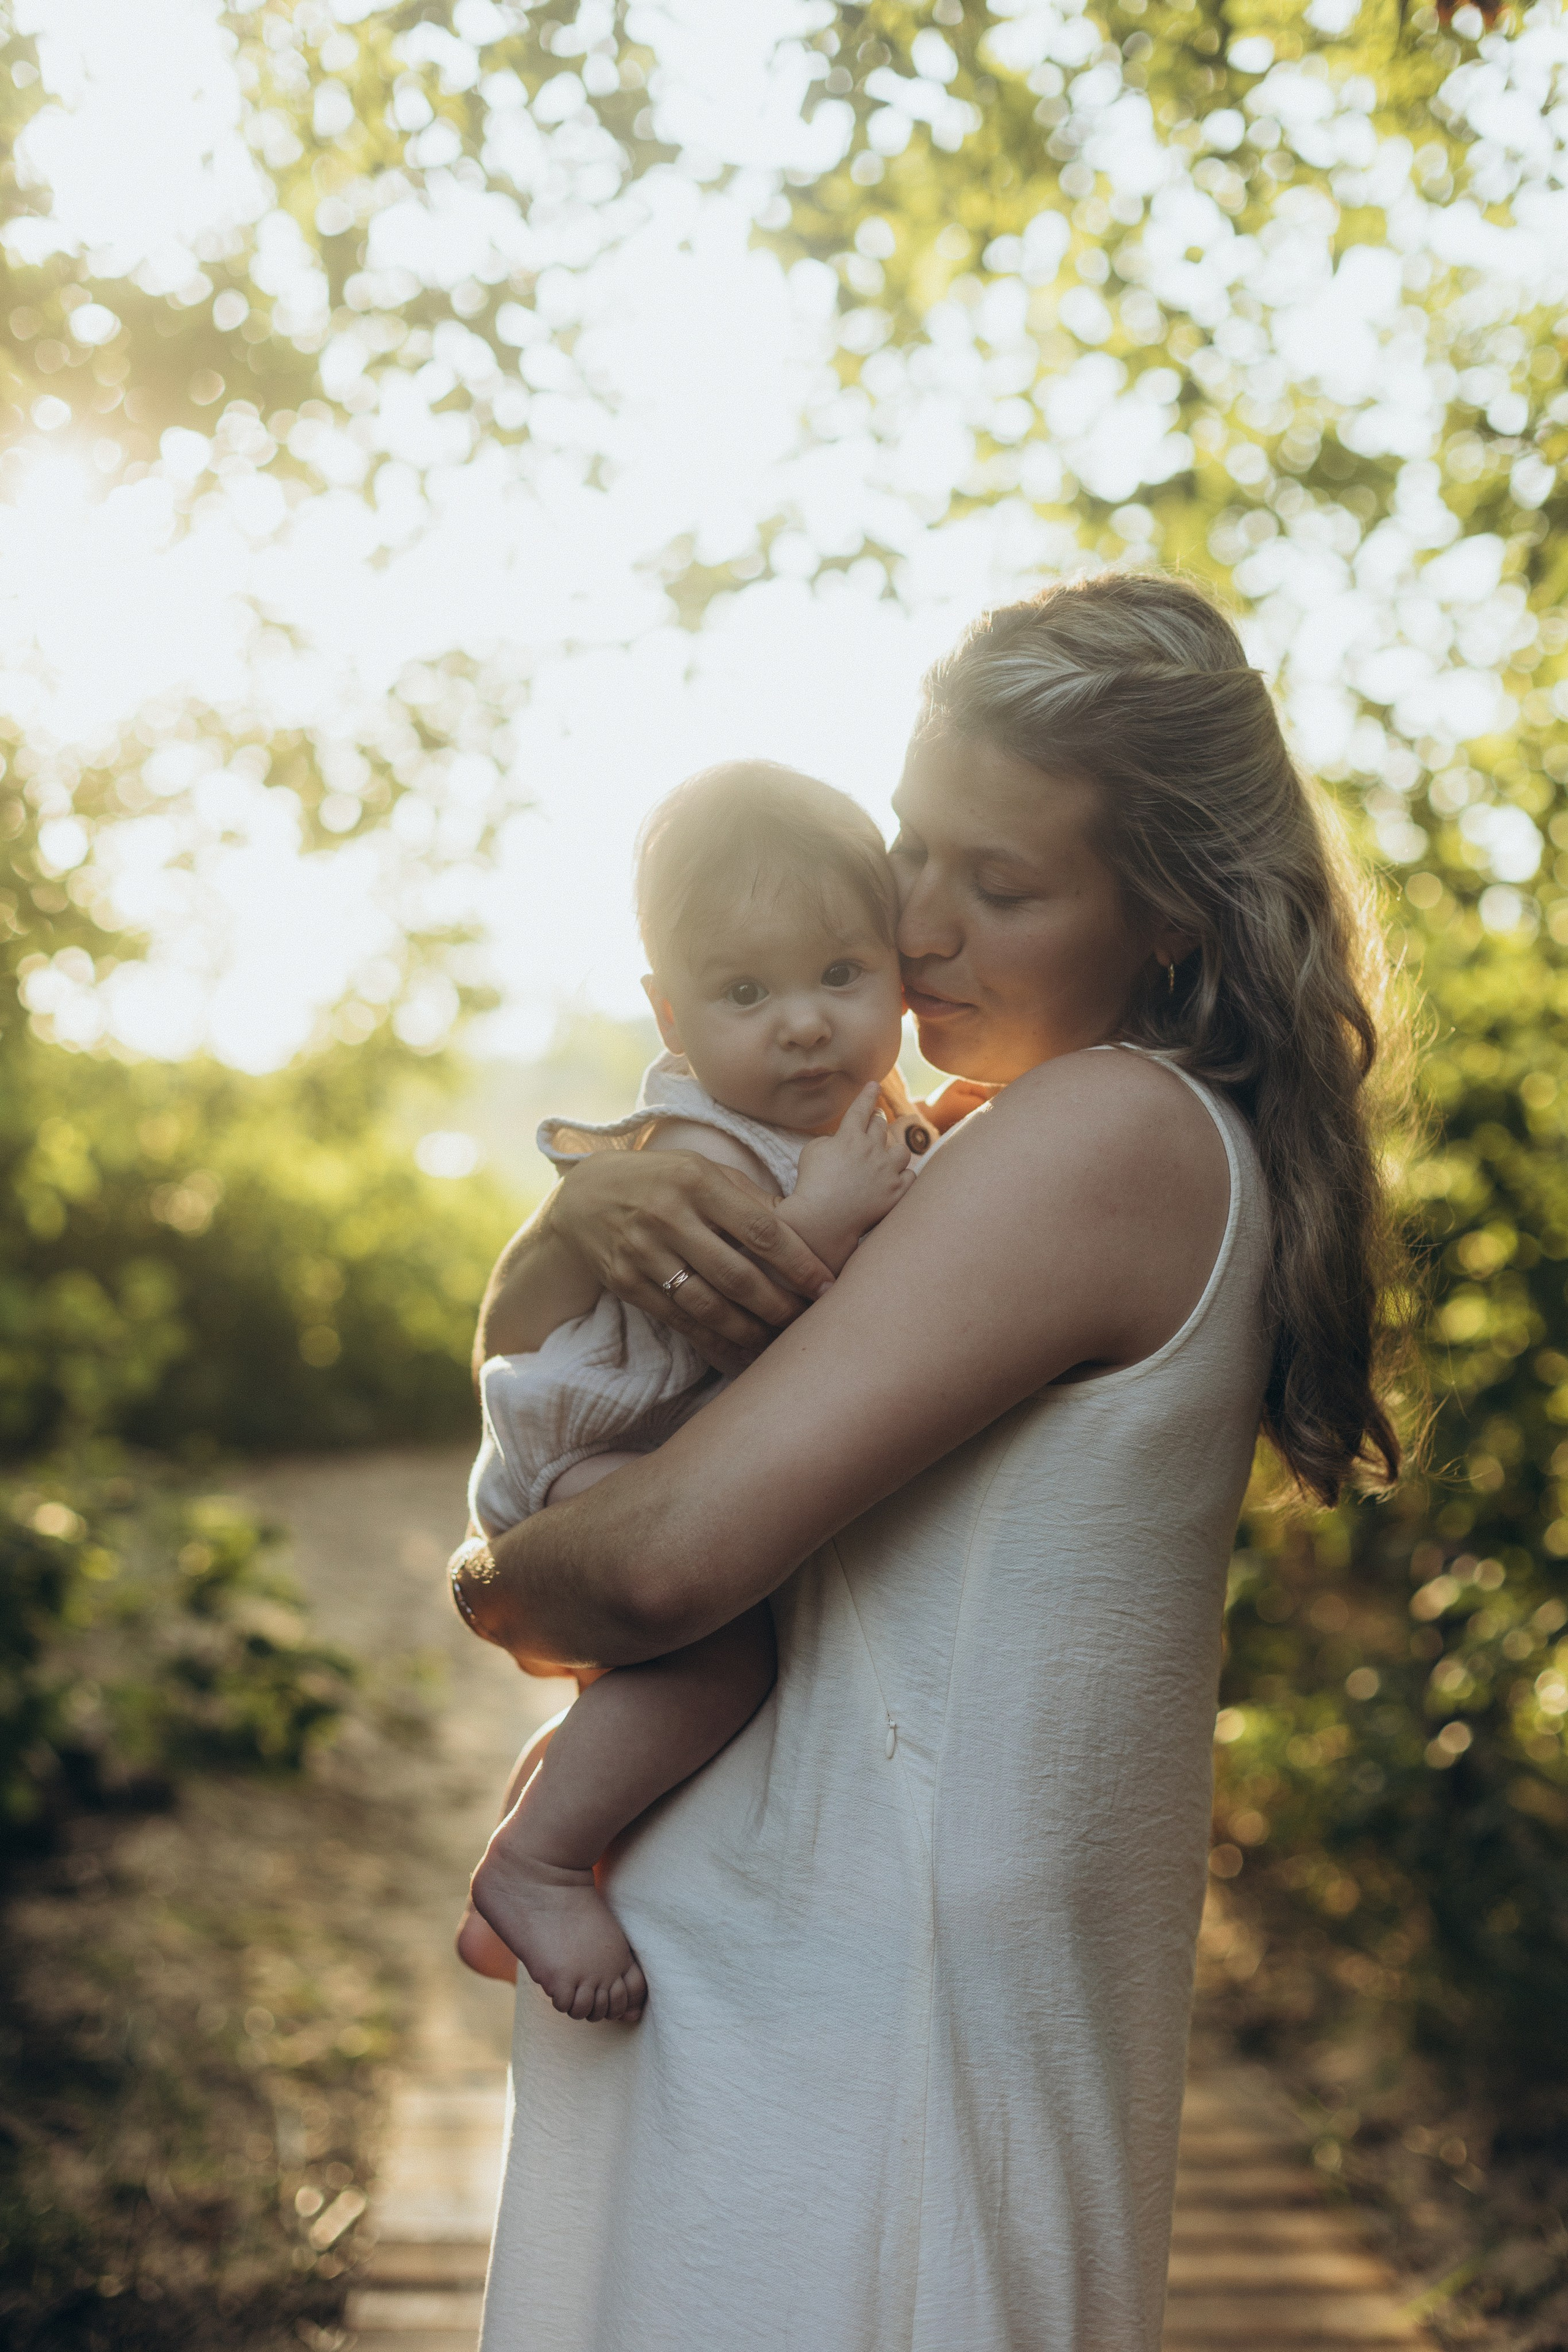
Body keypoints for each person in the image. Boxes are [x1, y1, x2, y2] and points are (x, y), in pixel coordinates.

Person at [453, 573, 1404, 2352]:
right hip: (787, 1993)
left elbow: (651, 1570)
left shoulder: (1106, 1134)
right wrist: (585, 1217)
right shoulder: (958, 1143)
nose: (922, 924)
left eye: (1008, 883)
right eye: (915, 848)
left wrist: (492, 1569)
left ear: (1173, 916)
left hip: (857, 2030)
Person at [459, 763, 932, 2023]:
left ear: (895, 967)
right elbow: (764, 1318)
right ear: (671, 1017)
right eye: (743, 992)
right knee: (719, 1653)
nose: (801, 1023)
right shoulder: (702, 1145)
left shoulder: (837, 1109)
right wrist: (831, 1217)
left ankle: (544, 1808)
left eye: (840, 974)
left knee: (668, 1669)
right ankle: (539, 1859)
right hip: (590, 1446)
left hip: (641, 1443)